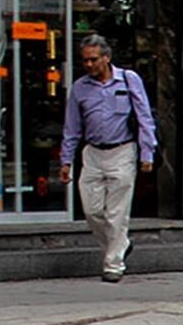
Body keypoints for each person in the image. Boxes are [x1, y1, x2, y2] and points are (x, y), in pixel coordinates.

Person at [60, 34, 156, 283]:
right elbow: (72, 127)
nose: (89, 65)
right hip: (92, 152)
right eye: (85, 61)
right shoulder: (80, 87)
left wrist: (147, 152)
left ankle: (113, 264)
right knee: (92, 211)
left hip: (122, 150)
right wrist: (66, 160)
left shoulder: (128, 79)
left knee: (117, 212)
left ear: (106, 58)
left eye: (94, 60)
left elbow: (144, 116)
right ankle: (121, 244)